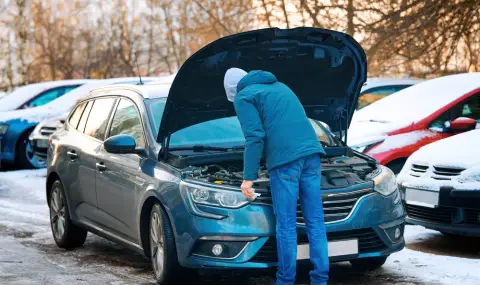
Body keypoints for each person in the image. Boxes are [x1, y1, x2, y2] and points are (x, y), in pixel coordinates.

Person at [223, 68, 329, 285]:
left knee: (287, 224)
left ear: (232, 90)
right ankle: (320, 279)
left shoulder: (244, 96)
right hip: (312, 154)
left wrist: (248, 177)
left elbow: (255, 137)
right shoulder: (280, 86)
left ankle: (285, 281)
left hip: (286, 161)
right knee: (315, 221)